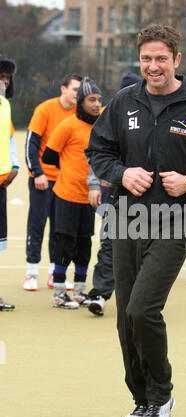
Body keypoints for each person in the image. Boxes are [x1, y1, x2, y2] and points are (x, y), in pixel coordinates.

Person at [86, 24, 186, 417]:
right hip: (125, 220)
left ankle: (161, 395)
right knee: (124, 319)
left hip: (175, 220)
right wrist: (121, 173)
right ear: (140, 60)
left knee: (142, 309)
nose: (154, 66)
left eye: (161, 59)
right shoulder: (122, 103)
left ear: (177, 60)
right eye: (147, 59)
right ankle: (141, 400)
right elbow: (97, 151)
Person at [42, 77, 102, 309]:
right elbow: (49, 156)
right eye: (91, 100)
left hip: (89, 197)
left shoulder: (100, 127)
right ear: (80, 102)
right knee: (65, 244)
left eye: (99, 100)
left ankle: (79, 291)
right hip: (66, 195)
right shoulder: (68, 125)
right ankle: (58, 293)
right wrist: (67, 168)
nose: (97, 104)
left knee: (84, 245)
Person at [86, 71, 142, 317]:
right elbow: (97, 153)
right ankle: (100, 293)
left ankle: (138, 295)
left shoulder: (151, 114)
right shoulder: (112, 113)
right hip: (114, 194)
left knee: (141, 248)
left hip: (145, 196)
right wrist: (94, 184)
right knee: (109, 243)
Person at [23, 73, 82, 291]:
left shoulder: (80, 114)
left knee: (61, 230)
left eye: (80, 90)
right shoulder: (45, 109)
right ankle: (31, 273)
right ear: (63, 89)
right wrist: (37, 173)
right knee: (37, 226)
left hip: (65, 182)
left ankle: (54, 274)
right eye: (75, 89)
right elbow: (31, 143)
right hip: (42, 180)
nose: (78, 94)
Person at [0, 55, 19, 311]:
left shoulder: (5, 107)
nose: (4, 82)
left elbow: (9, 138)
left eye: (6, 78)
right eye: (0, 77)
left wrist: (14, 166)